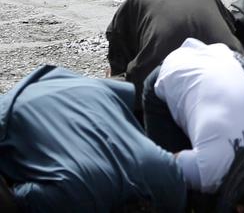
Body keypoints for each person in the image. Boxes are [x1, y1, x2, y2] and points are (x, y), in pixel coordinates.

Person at [142, 38, 244, 211]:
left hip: (226, 61)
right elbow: (160, 165)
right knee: (171, 193)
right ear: (240, 209)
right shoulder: (210, 168)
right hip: (176, 71)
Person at [0, 65, 185, 211]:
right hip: (163, 174)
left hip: (75, 189)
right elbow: (127, 95)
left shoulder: (7, 108)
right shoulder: (88, 84)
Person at [106, 0, 244, 105]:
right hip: (235, 67)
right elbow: (233, 26)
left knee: (138, 94)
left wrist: (114, 80)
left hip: (166, 65)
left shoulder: (128, 17)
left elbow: (126, 77)